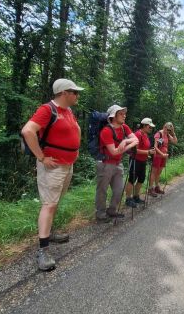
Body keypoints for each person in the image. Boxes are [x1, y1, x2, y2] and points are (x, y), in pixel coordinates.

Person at [21, 78, 84, 271]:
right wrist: (41, 157)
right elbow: (28, 131)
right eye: (74, 92)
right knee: (49, 205)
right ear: (64, 93)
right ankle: (43, 250)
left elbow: (75, 130)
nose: (77, 95)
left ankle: (49, 233)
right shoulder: (48, 110)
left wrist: (76, 149)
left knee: (54, 202)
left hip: (67, 165)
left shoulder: (68, 111)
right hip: (53, 166)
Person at [95, 105, 138, 222]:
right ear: (113, 116)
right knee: (102, 190)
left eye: (124, 113)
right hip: (105, 164)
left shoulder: (124, 127)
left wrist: (125, 141)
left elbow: (136, 139)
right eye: (121, 114)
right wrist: (128, 144)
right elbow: (114, 152)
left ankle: (112, 210)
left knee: (119, 189)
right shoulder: (106, 131)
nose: (124, 116)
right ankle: (100, 214)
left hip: (118, 163)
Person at [125, 118, 156, 208]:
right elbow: (135, 150)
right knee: (132, 179)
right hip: (135, 160)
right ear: (144, 126)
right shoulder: (137, 134)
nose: (151, 129)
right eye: (149, 127)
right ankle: (128, 199)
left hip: (143, 160)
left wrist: (148, 153)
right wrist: (148, 152)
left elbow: (145, 148)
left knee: (141, 179)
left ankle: (136, 196)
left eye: (151, 127)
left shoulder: (145, 135)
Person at [148, 122, 177, 197]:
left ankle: (156, 187)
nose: (168, 131)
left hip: (163, 156)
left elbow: (175, 142)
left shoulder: (167, 134)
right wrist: (162, 154)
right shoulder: (159, 134)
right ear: (164, 127)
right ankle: (150, 189)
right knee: (154, 172)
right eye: (167, 129)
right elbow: (155, 146)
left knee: (159, 172)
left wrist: (173, 133)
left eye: (170, 130)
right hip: (157, 156)